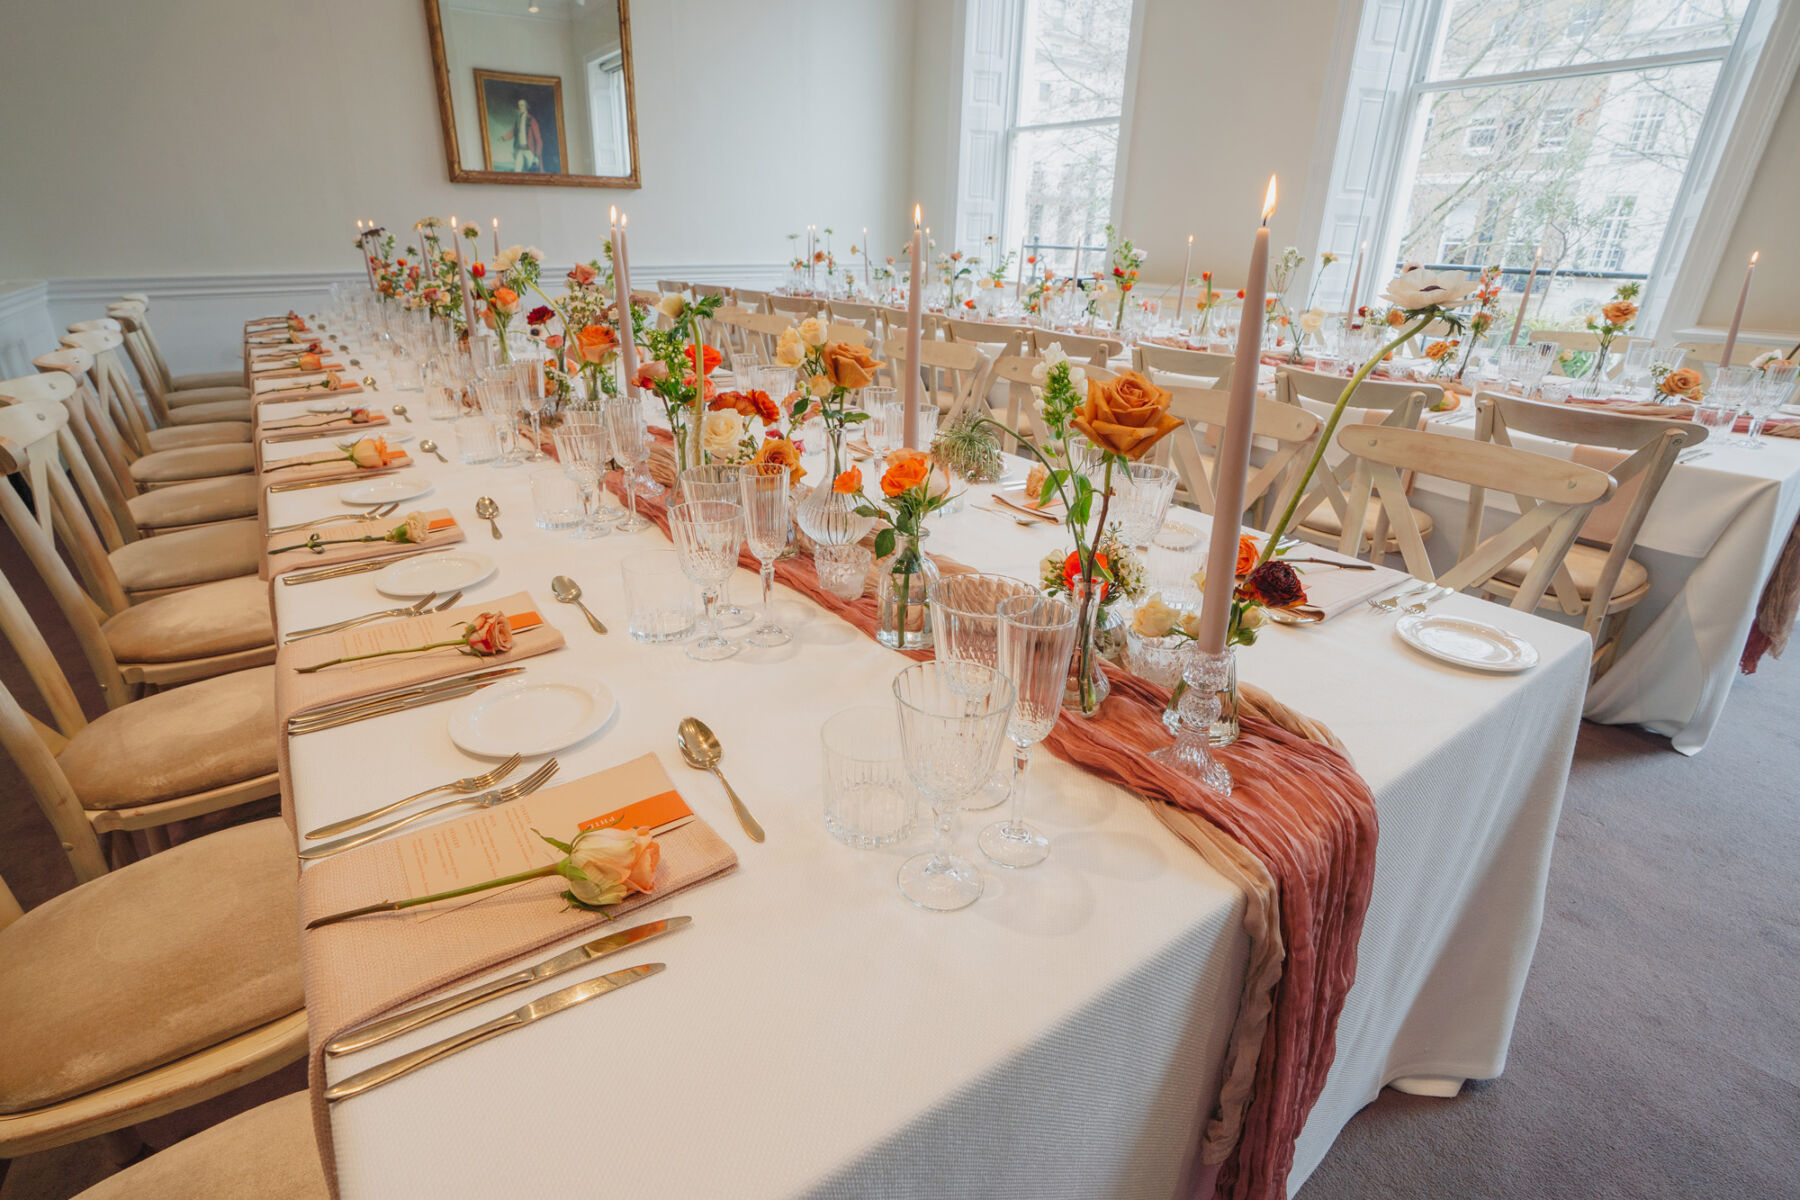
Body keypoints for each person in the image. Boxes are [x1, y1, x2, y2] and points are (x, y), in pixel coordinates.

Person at [500, 97, 543, 172]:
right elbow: (513, 131)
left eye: (522, 105)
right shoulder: (518, 119)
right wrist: (503, 138)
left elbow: (538, 139)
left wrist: (536, 155)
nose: (520, 107)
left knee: (532, 172)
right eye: (519, 105)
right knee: (517, 171)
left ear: (526, 106)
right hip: (519, 150)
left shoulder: (532, 120)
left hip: (530, 151)